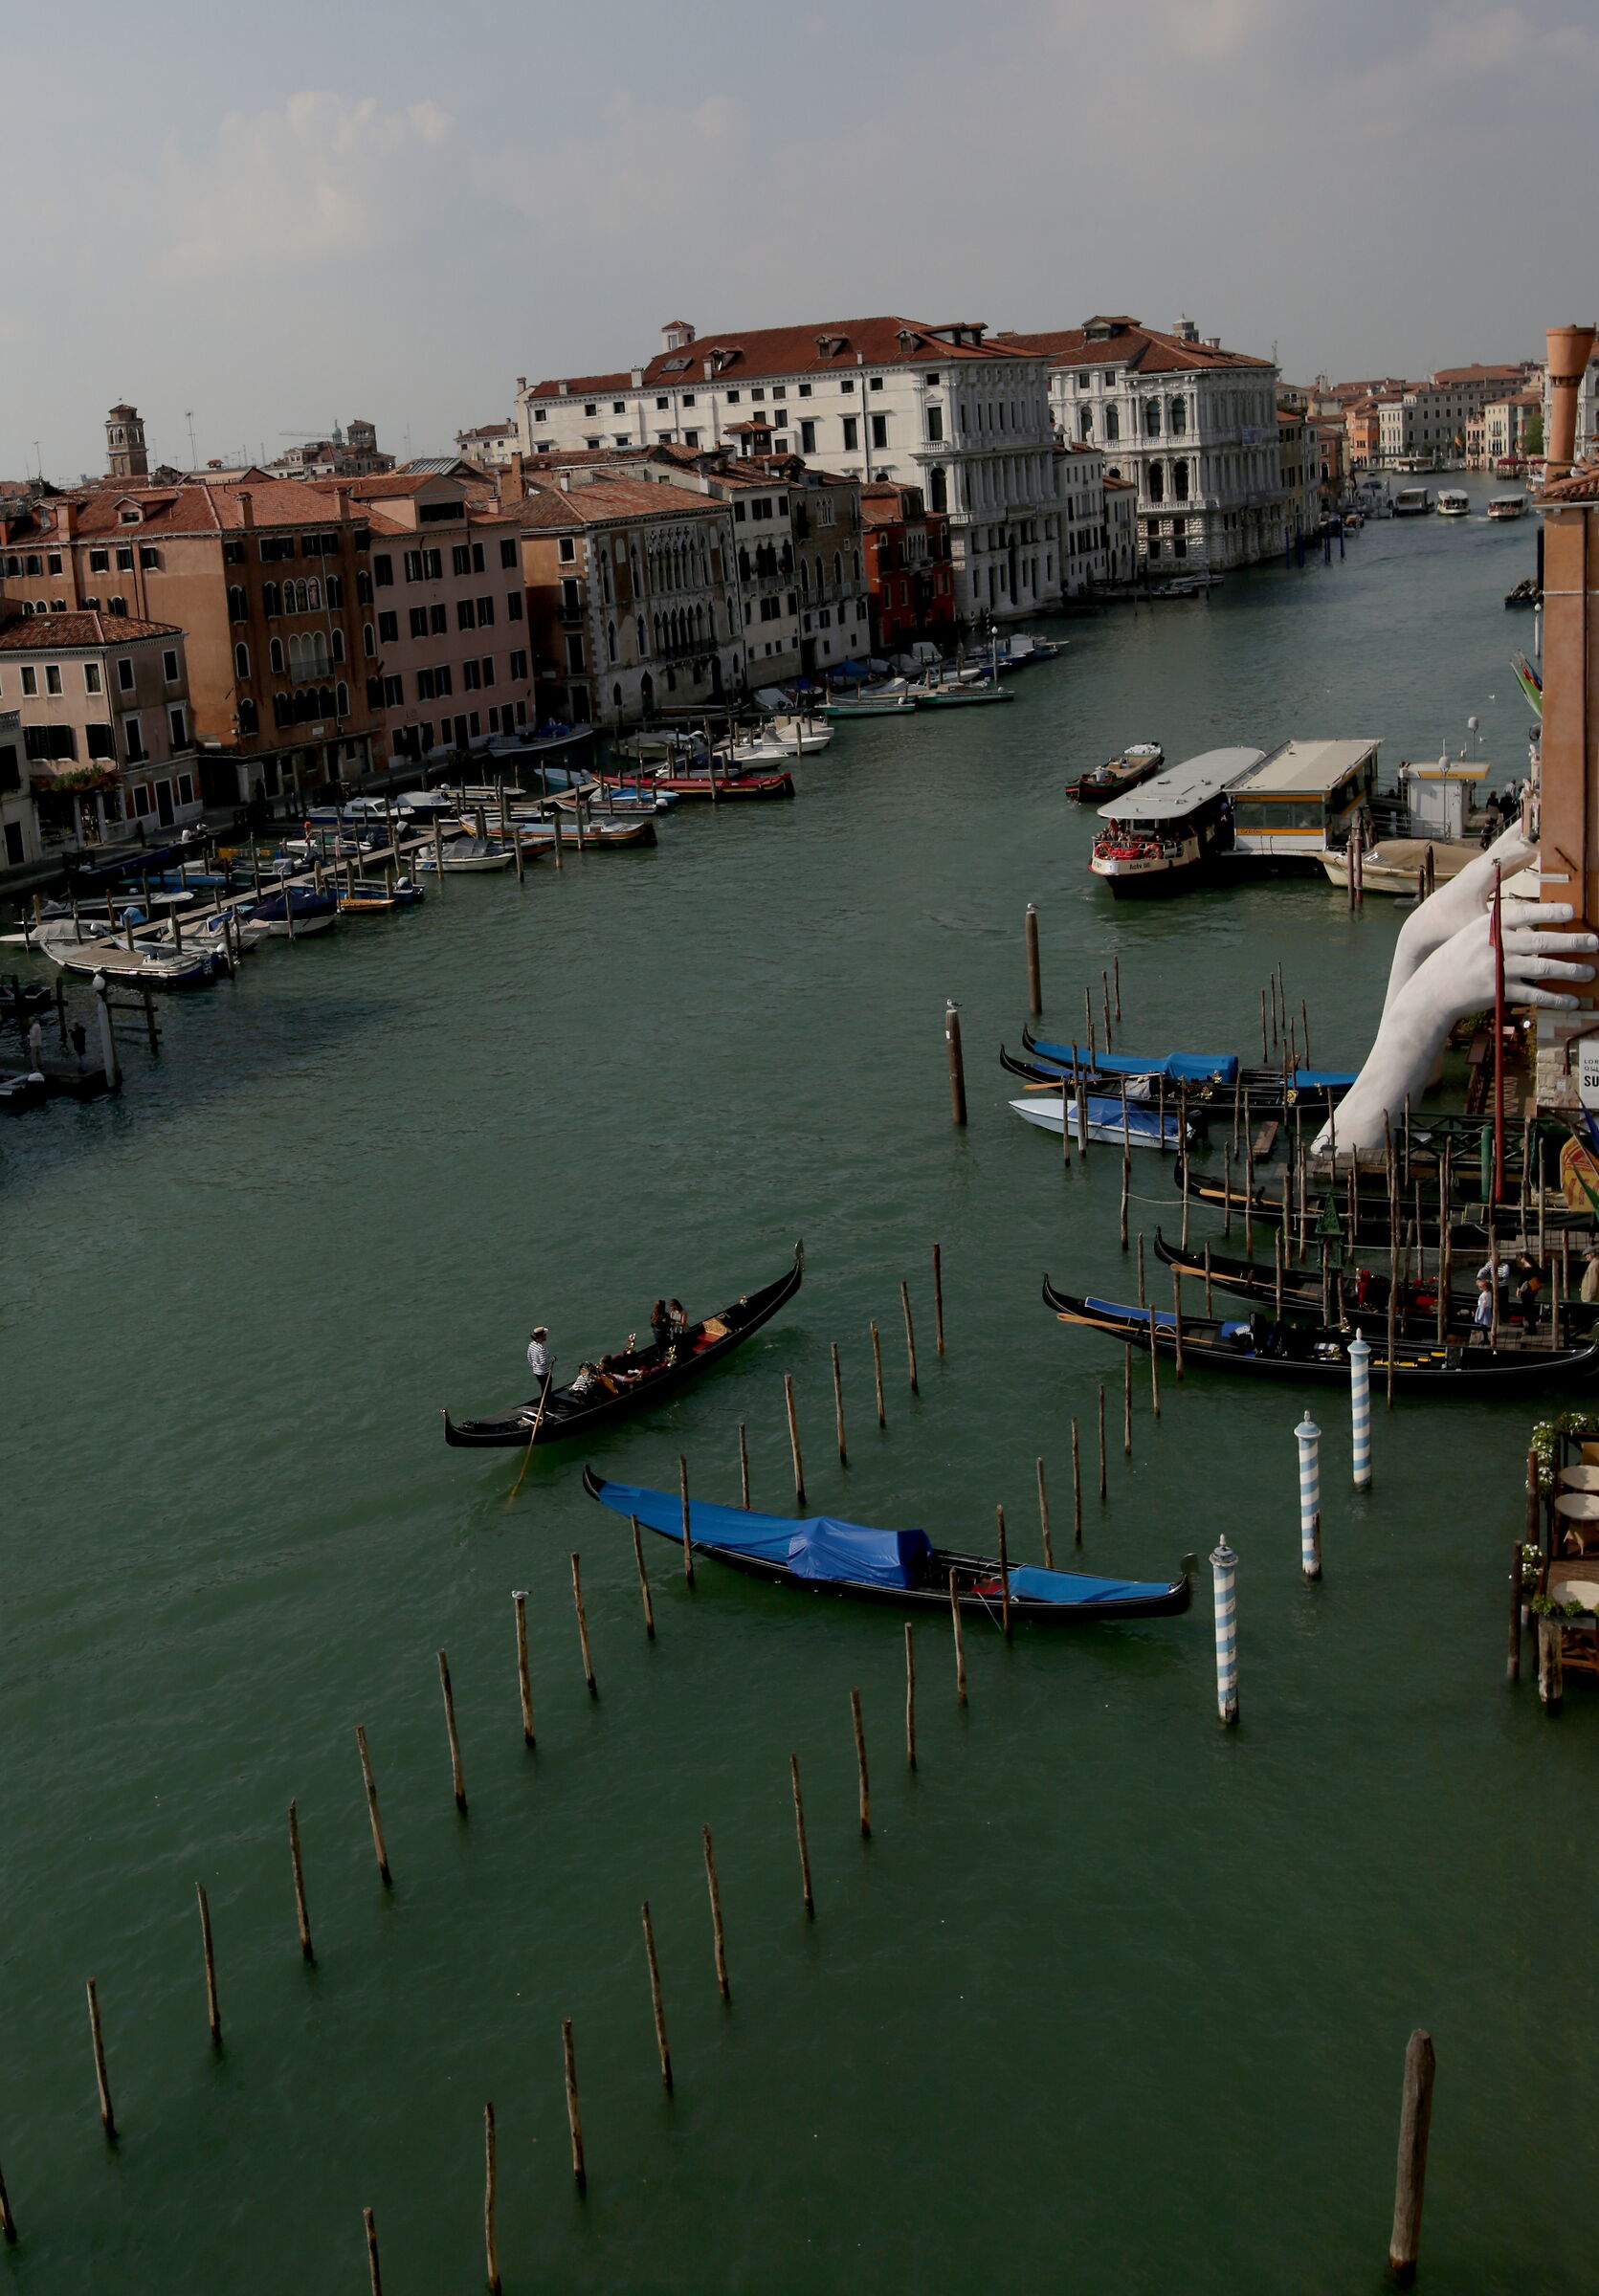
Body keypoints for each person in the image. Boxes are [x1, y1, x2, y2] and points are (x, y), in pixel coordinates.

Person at [1514, 1255, 1543, 1329]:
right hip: (1533, 1291)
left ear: (1525, 1259)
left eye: (1522, 1257)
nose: (1521, 1259)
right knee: (1531, 1308)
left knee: (1527, 1309)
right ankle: (1532, 1325)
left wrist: (1518, 1290)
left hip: (1526, 1292)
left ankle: (1530, 1326)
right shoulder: (1536, 1268)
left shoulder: (1526, 1270)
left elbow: (1521, 1282)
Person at [526, 1326, 553, 1402]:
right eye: (545, 1334)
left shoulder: (531, 1344)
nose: (546, 1336)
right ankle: (547, 1404)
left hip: (536, 1372)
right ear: (542, 1336)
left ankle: (545, 1402)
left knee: (543, 1388)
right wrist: (553, 1359)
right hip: (544, 1373)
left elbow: (529, 1357)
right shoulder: (541, 1349)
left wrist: (534, 1366)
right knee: (546, 1390)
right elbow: (544, 1362)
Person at [1470, 1275, 1496, 1349]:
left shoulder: (1483, 1295)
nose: (1479, 1288)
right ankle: (1487, 1338)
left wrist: (1479, 1316)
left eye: (1480, 1287)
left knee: (1483, 1326)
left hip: (1483, 1311)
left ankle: (1486, 1339)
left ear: (1484, 1287)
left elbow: (1482, 1306)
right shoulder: (1490, 1293)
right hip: (1488, 1309)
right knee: (1486, 1325)